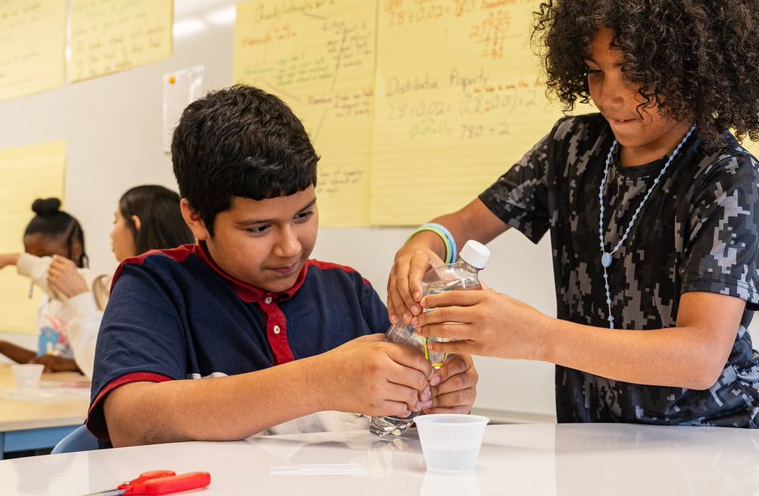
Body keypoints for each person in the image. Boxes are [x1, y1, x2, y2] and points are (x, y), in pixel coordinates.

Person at [388, 0, 759, 429]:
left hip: (715, 446)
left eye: (635, 72)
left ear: (690, 66)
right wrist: (425, 243)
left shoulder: (725, 175)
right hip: (594, 442)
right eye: (596, 71)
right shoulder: (572, 148)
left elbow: (700, 356)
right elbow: (464, 224)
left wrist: (534, 335)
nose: (609, 95)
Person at [87, 84, 478, 446]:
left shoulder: (347, 291)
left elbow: (393, 426)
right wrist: (321, 382)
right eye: (258, 228)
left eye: (304, 215)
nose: (290, 247)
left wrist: (437, 397)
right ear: (195, 218)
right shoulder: (156, 286)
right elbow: (131, 423)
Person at [0, 187, 193, 377]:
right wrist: (11, 259)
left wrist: (79, 299)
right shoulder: (175, 281)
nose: (111, 233)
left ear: (135, 225)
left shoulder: (143, 294)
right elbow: (59, 276)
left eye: (115, 220)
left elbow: (106, 365)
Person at [0, 198, 93, 373]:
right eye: (29, 258)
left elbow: (98, 360)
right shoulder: (47, 302)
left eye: (43, 257)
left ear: (75, 249)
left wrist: (68, 366)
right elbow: (45, 359)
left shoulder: (88, 299)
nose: (35, 267)